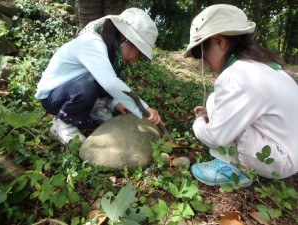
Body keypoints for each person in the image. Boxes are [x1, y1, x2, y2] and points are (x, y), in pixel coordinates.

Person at [184, 4, 298, 187]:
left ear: (219, 41)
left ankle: (229, 167)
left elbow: (216, 137)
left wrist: (199, 121)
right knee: (216, 102)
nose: (205, 64)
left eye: (203, 55)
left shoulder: (236, 75)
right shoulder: (263, 67)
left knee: (214, 100)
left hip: (278, 160)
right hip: (290, 154)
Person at [34, 8, 162, 144]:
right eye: (139, 51)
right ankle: (62, 123)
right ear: (124, 37)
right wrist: (142, 108)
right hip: (53, 97)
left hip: (71, 90)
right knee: (86, 88)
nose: (137, 58)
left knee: (102, 80)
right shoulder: (92, 43)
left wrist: (114, 103)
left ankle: (95, 108)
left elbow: (105, 83)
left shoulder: (111, 56)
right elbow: (110, 83)